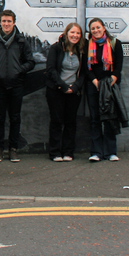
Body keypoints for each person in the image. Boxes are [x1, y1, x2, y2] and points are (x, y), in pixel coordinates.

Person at [0, 9, 35, 163]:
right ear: (0, 22)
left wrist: (19, 70)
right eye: (4, 21)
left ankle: (13, 149)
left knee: (15, 118)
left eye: (9, 21)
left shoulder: (21, 41)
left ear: (14, 22)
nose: (6, 24)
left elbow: (31, 62)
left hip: (16, 85)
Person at [45, 22, 86, 162]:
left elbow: (84, 73)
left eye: (78, 33)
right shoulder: (56, 48)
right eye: (72, 32)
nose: (75, 35)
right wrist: (63, 86)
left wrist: (74, 87)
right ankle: (55, 152)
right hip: (56, 90)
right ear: (67, 33)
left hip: (73, 92)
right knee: (56, 121)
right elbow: (51, 69)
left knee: (71, 121)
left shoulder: (81, 51)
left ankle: (68, 151)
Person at [84, 18, 124, 162]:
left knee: (109, 119)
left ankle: (110, 152)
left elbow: (119, 66)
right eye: (93, 29)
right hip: (93, 85)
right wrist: (95, 82)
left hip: (110, 86)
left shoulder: (115, 44)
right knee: (95, 119)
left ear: (104, 28)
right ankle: (96, 152)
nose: (96, 30)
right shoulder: (86, 46)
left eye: (98, 27)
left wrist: (111, 81)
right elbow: (86, 68)